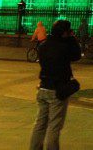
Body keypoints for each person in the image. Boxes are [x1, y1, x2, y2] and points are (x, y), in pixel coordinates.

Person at [29, 19, 81, 150]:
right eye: (68, 31)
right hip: (57, 91)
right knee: (54, 126)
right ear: (64, 33)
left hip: (43, 88)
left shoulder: (43, 45)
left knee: (40, 124)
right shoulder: (64, 48)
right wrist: (72, 38)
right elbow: (76, 55)